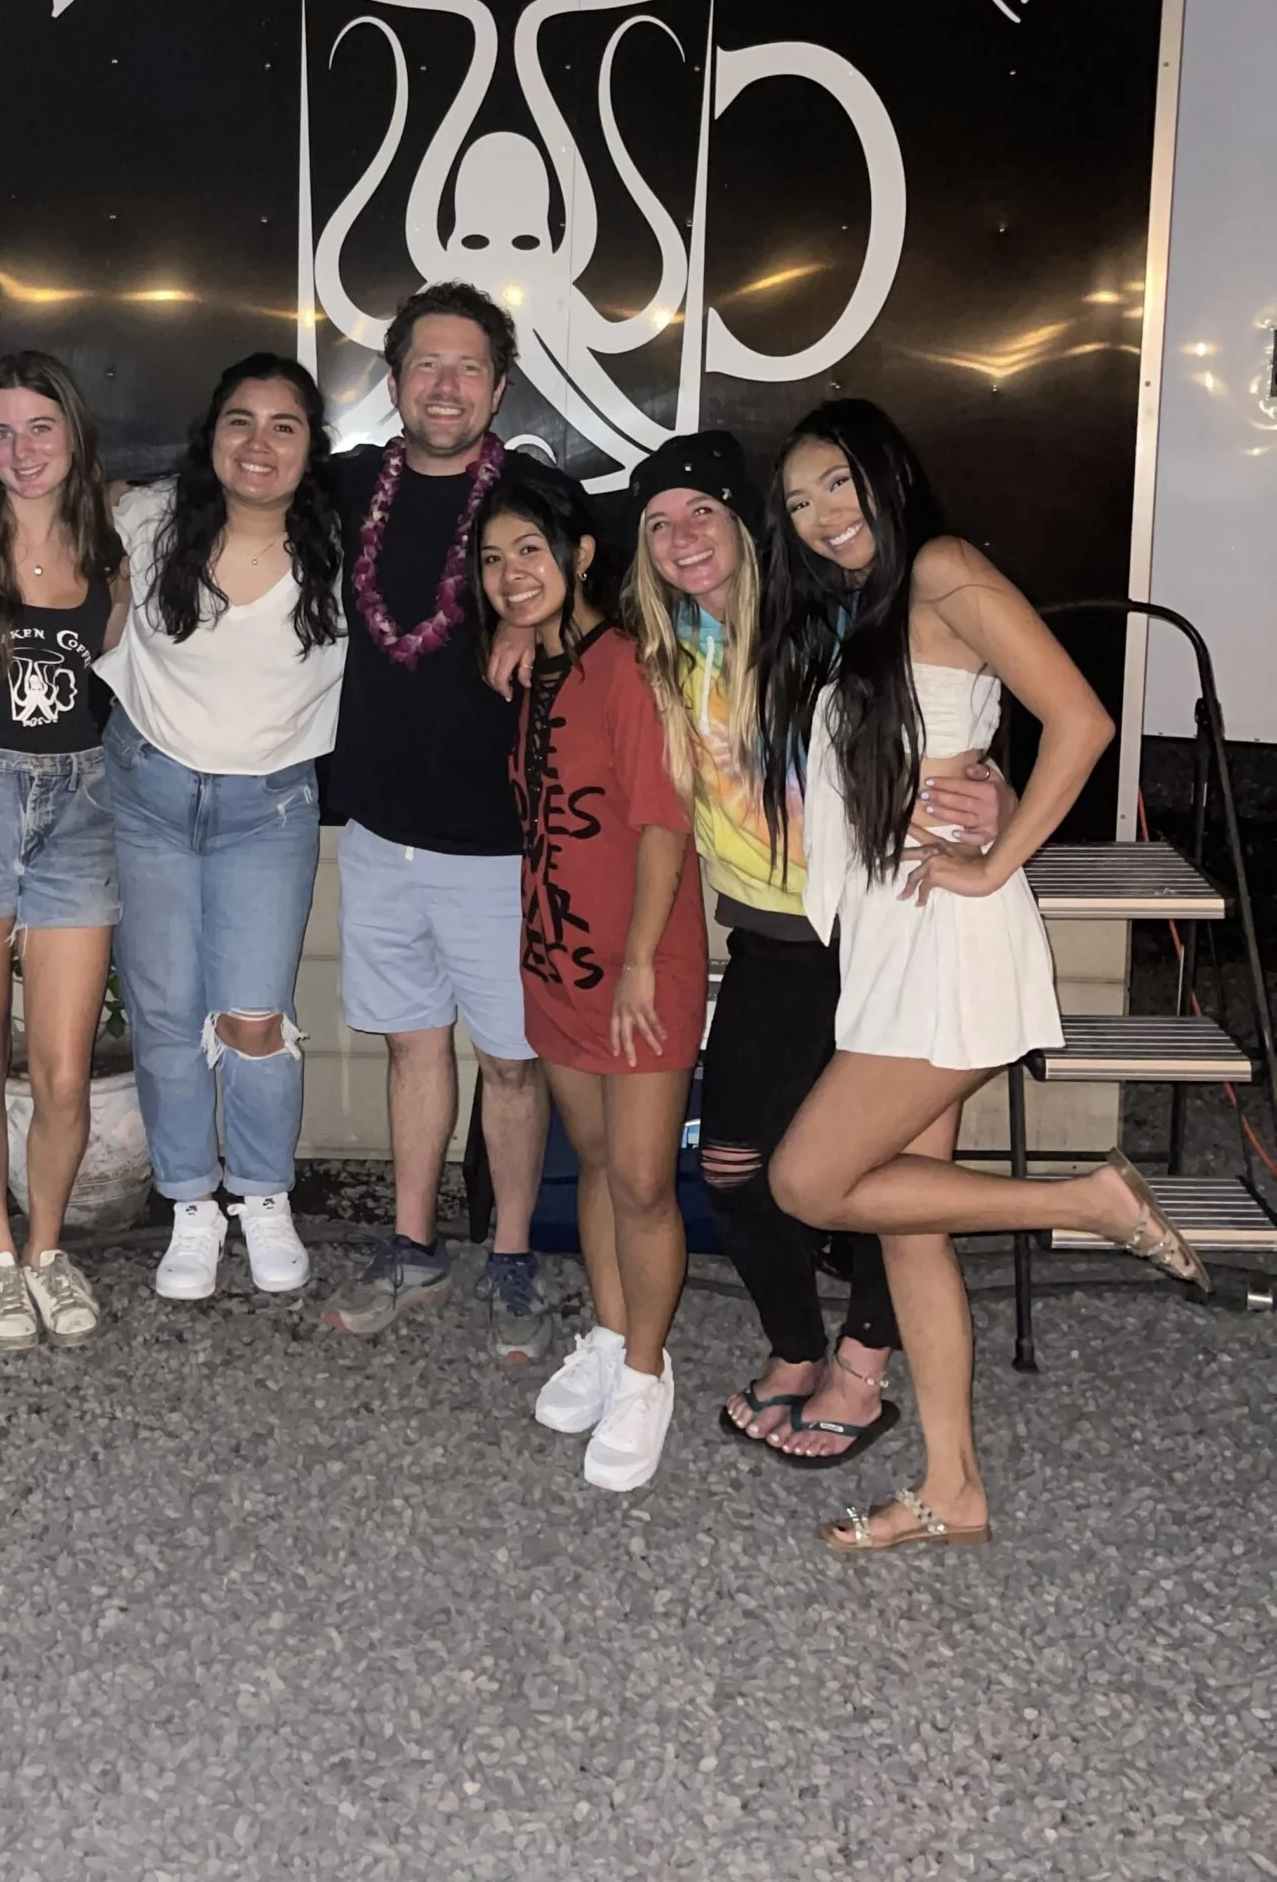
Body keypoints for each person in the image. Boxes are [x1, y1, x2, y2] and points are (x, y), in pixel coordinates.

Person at [760, 400, 1206, 1554]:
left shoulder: (947, 568)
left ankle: (1085, 1203)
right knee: (908, 1225)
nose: (822, 518)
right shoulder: (864, 609)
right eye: (801, 503)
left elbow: (1084, 716)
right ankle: (951, 1486)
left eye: (840, 486)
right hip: (890, 938)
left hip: (945, 936)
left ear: (890, 476)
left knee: (810, 1179)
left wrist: (1001, 852)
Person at [625, 431, 1010, 1466]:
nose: (682, 536)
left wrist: (996, 787)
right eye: (659, 523)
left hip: (886, 923)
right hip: (773, 936)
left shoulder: (828, 617)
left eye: (702, 512)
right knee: (736, 1162)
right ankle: (796, 1347)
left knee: (889, 1162)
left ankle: (865, 1361)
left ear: (747, 527)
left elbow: (955, 695)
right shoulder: (666, 651)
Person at [321, 281, 603, 1363]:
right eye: (426, 366)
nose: (446, 386)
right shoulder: (345, 488)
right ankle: (409, 1243)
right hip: (379, 826)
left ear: (500, 383)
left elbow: (608, 598)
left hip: (499, 840)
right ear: (393, 383)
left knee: (516, 1060)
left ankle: (515, 1252)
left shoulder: (533, 498)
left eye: (469, 367)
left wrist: (552, 625)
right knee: (410, 1045)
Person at [97, 354, 347, 1301]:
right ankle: (191, 1202)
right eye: (240, 420)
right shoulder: (147, 519)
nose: (259, 443)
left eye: (285, 425)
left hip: (270, 808)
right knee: (164, 1015)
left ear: (310, 446)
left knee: (253, 1016)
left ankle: (262, 1194)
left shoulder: (338, 542)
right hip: (150, 793)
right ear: (211, 434)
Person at [475, 478, 706, 1488]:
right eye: (491, 560)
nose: (508, 575)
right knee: (599, 1157)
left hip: (637, 968)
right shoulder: (534, 668)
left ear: (578, 555)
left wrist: (642, 962)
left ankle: (650, 1374)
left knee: (646, 1181)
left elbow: (665, 822)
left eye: (528, 550)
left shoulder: (632, 668)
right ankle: (613, 1338)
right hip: (554, 960)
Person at [0, 352, 128, 1349]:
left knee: (60, 1064)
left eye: (40, 428)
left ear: (74, 433)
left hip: (77, 805)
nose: (20, 451)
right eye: (1, 431)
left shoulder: (113, 549)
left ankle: (49, 1249)